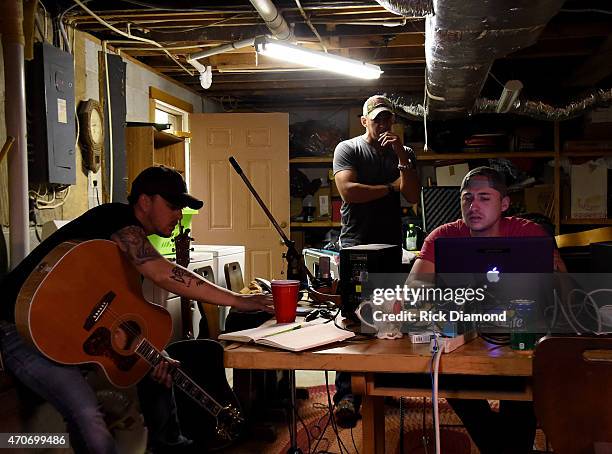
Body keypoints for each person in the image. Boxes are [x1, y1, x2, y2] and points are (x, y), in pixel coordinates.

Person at [0, 166, 273, 454]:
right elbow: (162, 272)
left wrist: (150, 351)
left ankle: (170, 444)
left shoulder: (124, 245)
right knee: (87, 417)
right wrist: (237, 300)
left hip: (69, 331)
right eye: (172, 205)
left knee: (160, 360)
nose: (179, 214)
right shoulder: (116, 218)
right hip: (22, 332)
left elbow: (107, 309)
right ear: (144, 202)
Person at [408, 166, 566, 454]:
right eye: (467, 198)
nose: (474, 206)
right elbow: (415, 285)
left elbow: (563, 288)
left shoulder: (529, 233)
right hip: (465, 339)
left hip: (518, 337)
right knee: (444, 372)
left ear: (504, 204)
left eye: (484, 198)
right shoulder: (442, 236)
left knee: (526, 382)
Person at [332, 95, 420, 427]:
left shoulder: (404, 153)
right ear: (364, 120)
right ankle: (346, 397)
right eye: (377, 119)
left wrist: (401, 157)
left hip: (390, 245)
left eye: (388, 119)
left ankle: (384, 386)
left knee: (388, 319)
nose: (383, 124)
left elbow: (411, 195)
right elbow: (348, 191)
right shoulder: (349, 149)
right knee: (355, 320)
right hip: (356, 243)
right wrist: (388, 187)